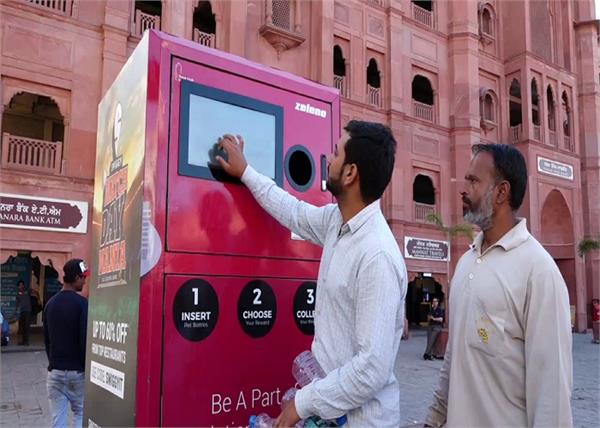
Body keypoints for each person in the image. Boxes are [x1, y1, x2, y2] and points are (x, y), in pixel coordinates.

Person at [217, 121, 407, 427]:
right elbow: (292, 211)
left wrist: (300, 406)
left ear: (350, 173)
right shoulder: (337, 221)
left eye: (335, 153)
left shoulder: (377, 256)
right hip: (331, 414)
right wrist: (246, 172)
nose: (328, 160)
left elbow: (371, 370)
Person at [425, 143, 573, 427]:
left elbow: (551, 391)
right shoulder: (467, 262)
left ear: (501, 192)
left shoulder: (538, 271)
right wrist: (434, 418)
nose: (463, 189)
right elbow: (454, 358)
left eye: (473, 181)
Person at [43, 259, 89, 428]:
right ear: (76, 277)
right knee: (80, 413)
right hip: (77, 373)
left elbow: (47, 341)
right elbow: (84, 339)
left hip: (55, 373)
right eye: (83, 277)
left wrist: (54, 363)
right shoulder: (82, 304)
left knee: (58, 419)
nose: (84, 281)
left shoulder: (50, 304)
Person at [16, 280, 31, 345]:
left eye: (22, 284)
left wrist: (38, 299)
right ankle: (23, 341)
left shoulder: (27, 291)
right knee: (22, 327)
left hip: (28, 311)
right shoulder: (18, 294)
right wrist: (16, 310)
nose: (21, 286)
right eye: (19, 285)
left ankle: (26, 342)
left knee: (26, 326)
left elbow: (35, 292)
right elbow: (17, 303)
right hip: (22, 311)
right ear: (18, 286)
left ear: (24, 285)